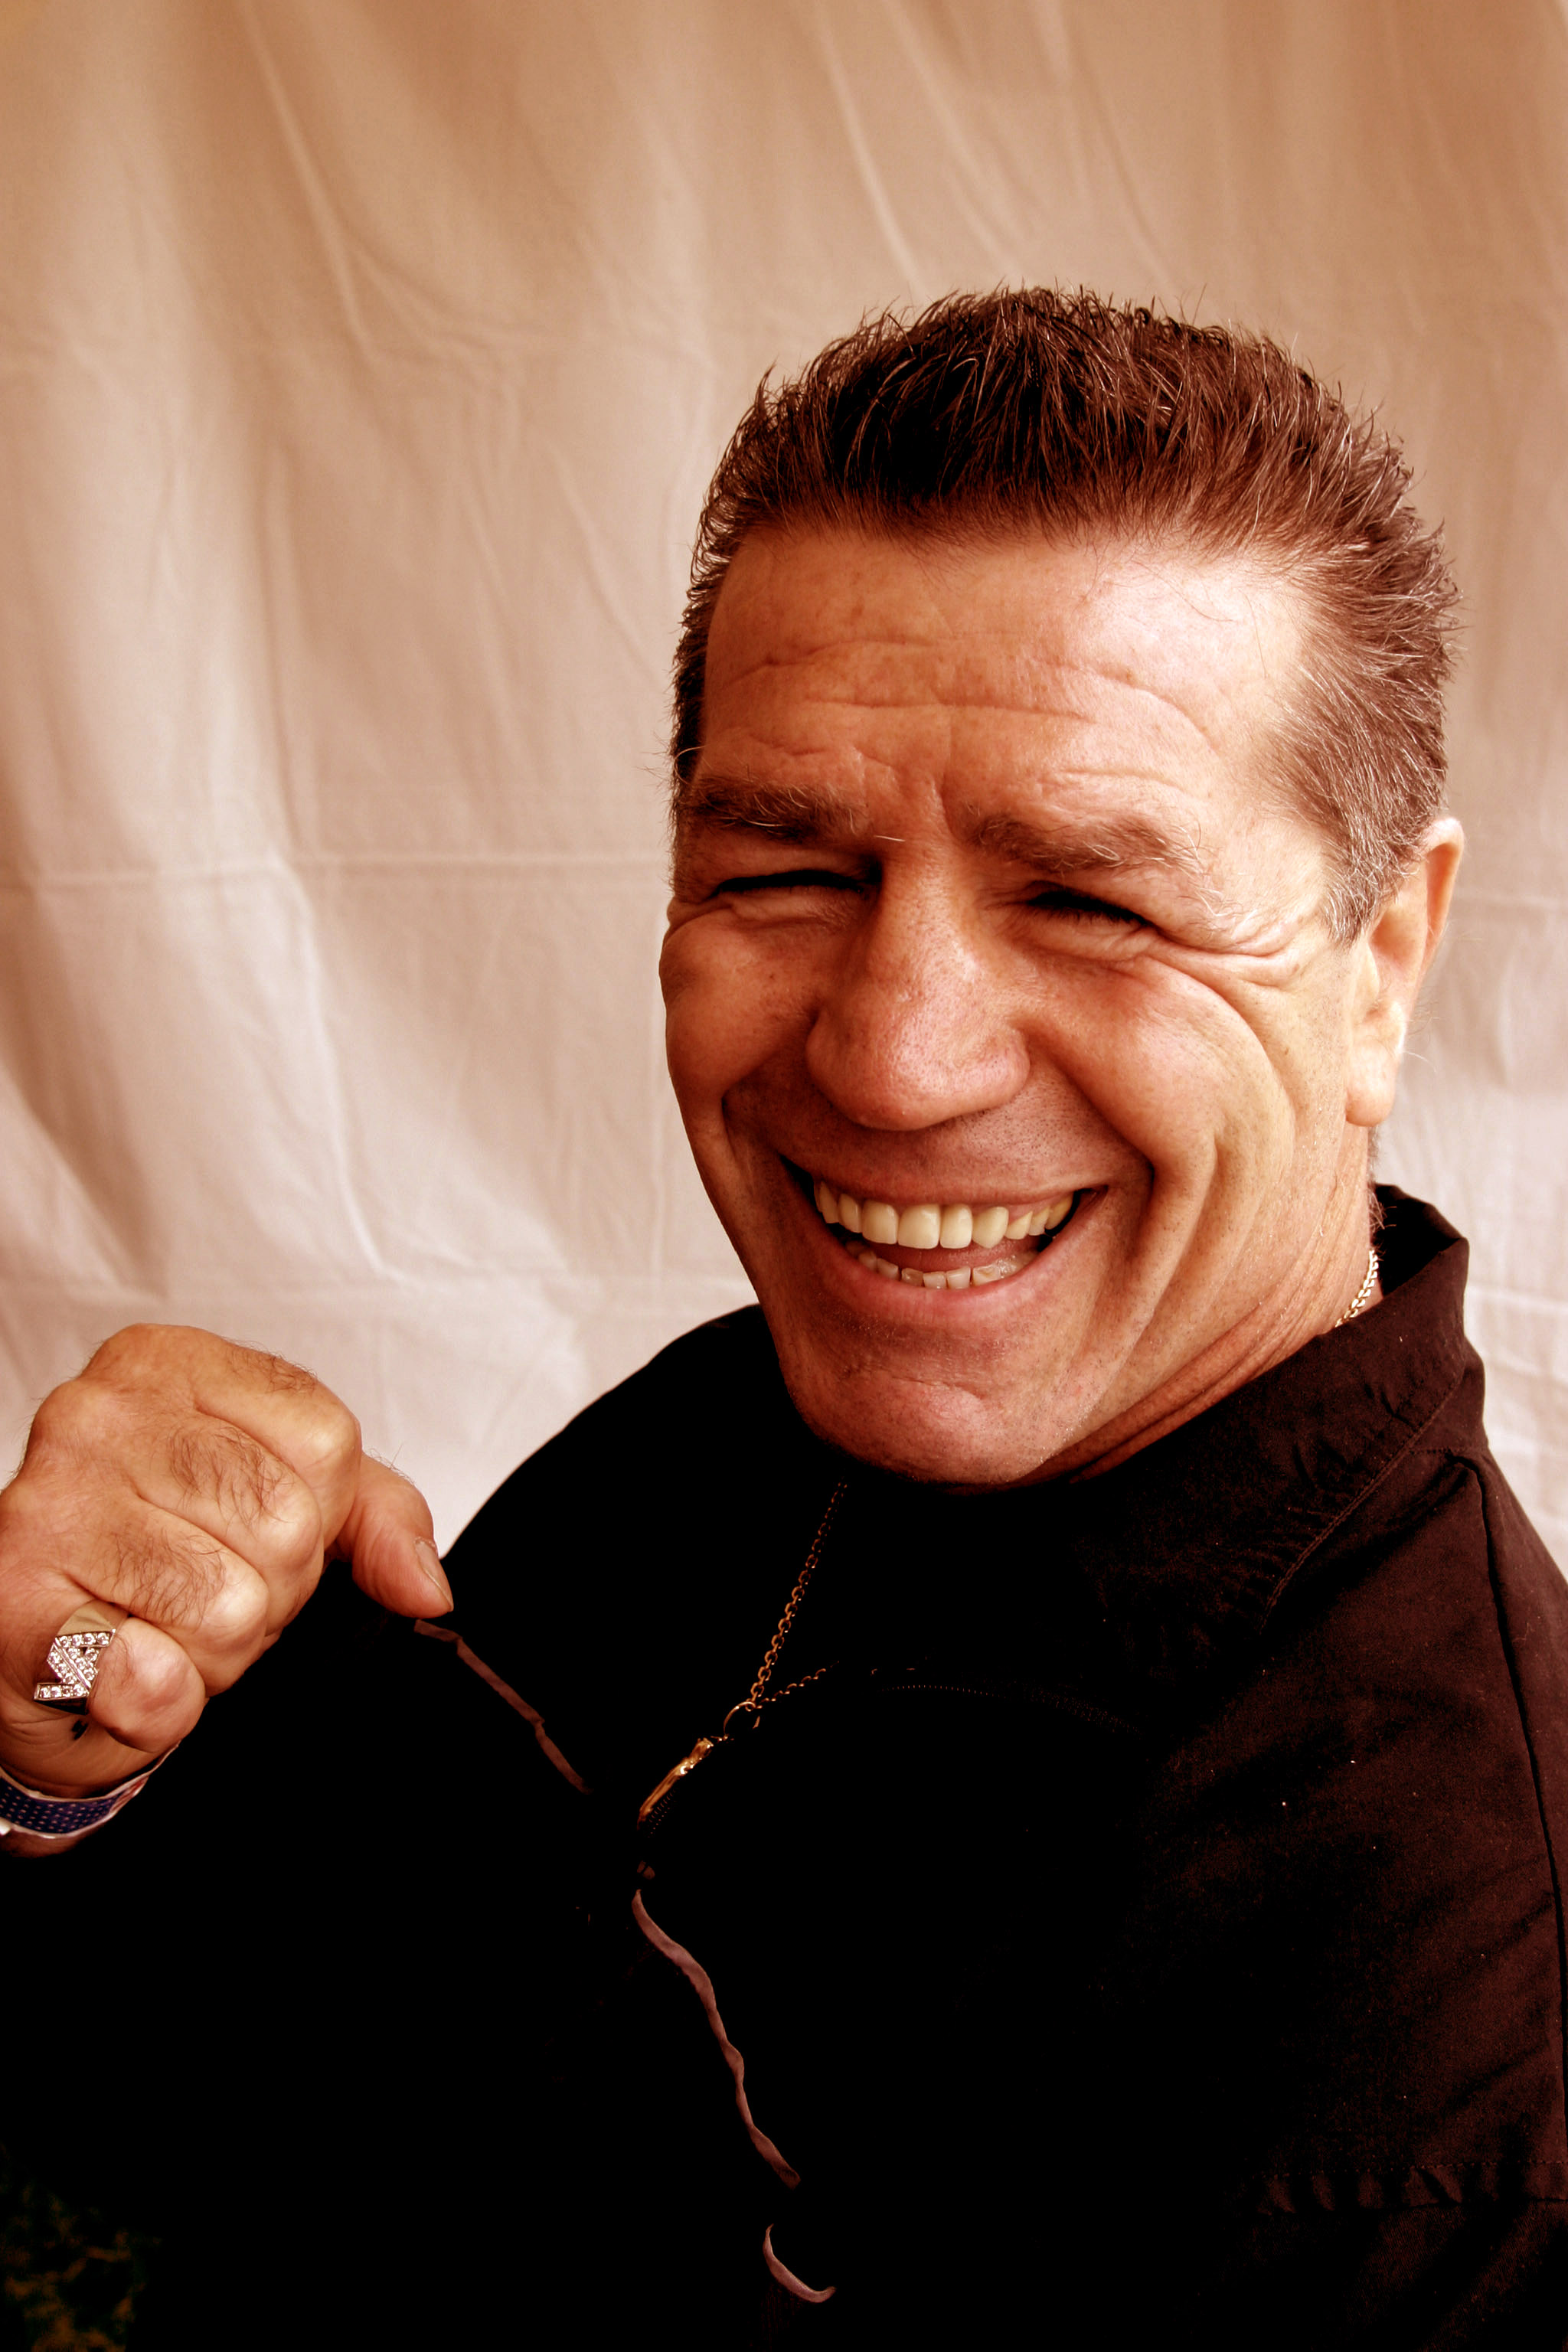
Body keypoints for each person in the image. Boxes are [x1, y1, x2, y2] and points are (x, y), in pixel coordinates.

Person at [1, 289, 1563, 2350]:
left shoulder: (1463, 2086)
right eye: (789, 871)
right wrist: (81, 1724)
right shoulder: (753, 1424)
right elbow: (262, 2080)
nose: (894, 1063)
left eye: (1090, 898)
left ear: (1384, 962)